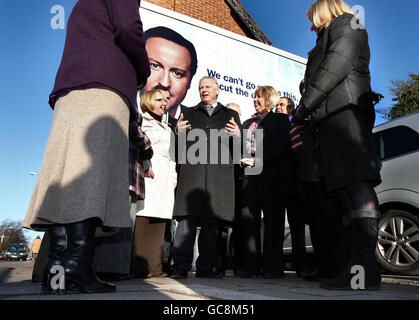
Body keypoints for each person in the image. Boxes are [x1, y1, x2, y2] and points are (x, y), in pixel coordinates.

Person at [22, 0, 150, 294]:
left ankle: (57, 268)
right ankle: (75, 265)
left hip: (73, 88)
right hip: (104, 86)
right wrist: (142, 71)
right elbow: (129, 28)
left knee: (65, 172)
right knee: (90, 176)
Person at [294, 0, 382, 290]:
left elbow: (334, 67)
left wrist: (304, 106)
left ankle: (363, 267)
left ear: (324, 10)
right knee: (344, 191)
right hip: (330, 117)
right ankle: (357, 270)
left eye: (312, 18)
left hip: (345, 114)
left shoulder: (348, 24)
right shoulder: (330, 33)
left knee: (356, 184)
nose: (310, 25)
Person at [171, 76, 241, 279]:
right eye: (201, 87)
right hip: (192, 176)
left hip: (218, 178)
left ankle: (205, 268)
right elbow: (176, 150)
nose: (204, 90)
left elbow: (240, 152)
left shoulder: (231, 114)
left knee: (211, 225)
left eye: (208, 87)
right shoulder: (187, 113)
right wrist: (177, 133)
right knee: (186, 223)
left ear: (217, 90)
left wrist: (238, 136)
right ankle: (180, 267)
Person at [240, 86, 291, 278]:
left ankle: (272, 267)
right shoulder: (248, 123)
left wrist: (260, 160)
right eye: (254, 97)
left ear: (269, 99)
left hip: (272, 177)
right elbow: (241, 147)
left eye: (259, 97)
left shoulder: (280, 119)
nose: (255, 100)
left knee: (273, 222)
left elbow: (283, 146)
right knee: (249, 221)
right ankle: (251, 266)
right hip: (250, 178)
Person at [131, 89, 177, 278]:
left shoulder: (168, 128)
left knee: (161, 220)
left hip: (165, 175)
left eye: (166, 100)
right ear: (148, 101)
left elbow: (172, 155)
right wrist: (145, 164)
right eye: (159, 99)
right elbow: (137, 146)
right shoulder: (141, 122)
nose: (164, 103)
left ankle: (155, 268)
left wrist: (173, 176)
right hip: (148, 172)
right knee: (144, 216)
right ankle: (139, 268)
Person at [277, 97, 309, 277]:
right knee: (292, 225)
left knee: (308, 222)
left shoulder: (298, 124)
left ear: (291, 108)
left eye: (281, 105)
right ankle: (298, 264)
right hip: (285, 182)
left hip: (301, 179)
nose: (278, 108)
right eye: (277, 105)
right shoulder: (274, 125)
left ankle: (311, 264)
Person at [142, 26, 198, 121]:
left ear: (190, 82)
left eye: (177, 73)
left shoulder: (198, 126)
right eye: (155, 66)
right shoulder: (119, 107)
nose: (164, 83)